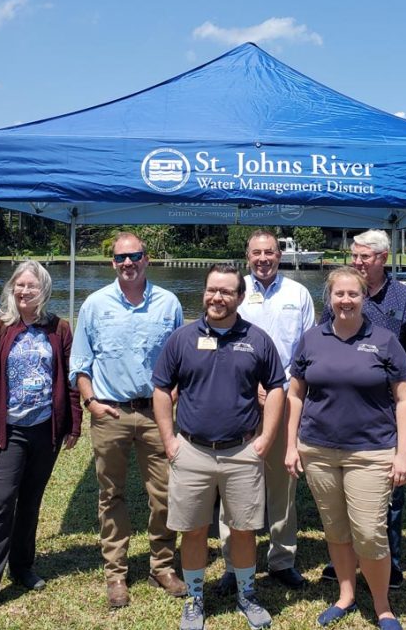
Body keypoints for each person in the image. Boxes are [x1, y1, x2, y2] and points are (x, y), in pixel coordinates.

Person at [153, 264, 285, 630]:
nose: (218, 297)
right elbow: (162, 389)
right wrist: (169, 440)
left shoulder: (257, 339)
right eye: (213, 290)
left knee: (243, 530)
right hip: (191, 450)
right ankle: (195, 599)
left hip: (242, 452)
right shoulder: (182, 338)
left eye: (227, 292)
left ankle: (247, 594)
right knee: (193, 529)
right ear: (204, 293)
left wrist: (266, 440)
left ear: (240, 298)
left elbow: (276, 388)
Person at [286, 267, 406, 630]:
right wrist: (292, 445)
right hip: (318, 450)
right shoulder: (312, 339)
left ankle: (382, 606)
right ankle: (345, 595)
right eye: (339, 294)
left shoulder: (385, 340)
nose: (346, 301)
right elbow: (296, 395)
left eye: (353, 294)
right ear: (330, 298)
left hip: (371, 452)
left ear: (363, 298)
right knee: (336, 529)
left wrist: (403, 452)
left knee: (370, 532)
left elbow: (404, 400)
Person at [70, 233, 187, 609]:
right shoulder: (94, 304)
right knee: (111, 496)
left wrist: (174, 397)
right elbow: (80, 363)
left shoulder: (168, 304)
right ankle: (116, 573)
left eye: (134, 256)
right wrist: (91, 402)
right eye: (121, 258)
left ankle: (162, 565)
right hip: (111, 412)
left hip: (156, 415)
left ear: (146, 259)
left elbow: (180, 360)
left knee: (166, 494)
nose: (128, 263)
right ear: (113, 263)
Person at [0, 260, 82, 621]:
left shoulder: (58, 328)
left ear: (44, 290)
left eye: (32, 286)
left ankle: (22, 566)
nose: (24, 291)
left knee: (30, 502)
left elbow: (71, 379)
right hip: (7, 434)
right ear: (11, 289)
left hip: (44, 430)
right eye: (19, 285)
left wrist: (73, 424)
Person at [320, 229, 406, 588]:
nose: (358, 262)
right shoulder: (340, 292)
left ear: (383, 258)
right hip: (344, 408)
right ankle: (342, 562)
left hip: (387, 407)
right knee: (342, 490)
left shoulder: (404, 296)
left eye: (365, 256)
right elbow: (324, 338)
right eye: (354, 256)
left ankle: (388, 561)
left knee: (391, 490)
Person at [218, 230, 314, 592]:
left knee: (282, 485)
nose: (263, 258)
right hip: (239, 401)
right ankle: (233, 562)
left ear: (280, 255)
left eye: (269, 252)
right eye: (256, 253)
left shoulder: (299, 294)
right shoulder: (232, 290)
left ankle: (281, 559)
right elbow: (218, 342)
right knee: (234, 484)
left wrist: (277, 386)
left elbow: (307, 352)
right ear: (247, 256)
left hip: (285, 399)